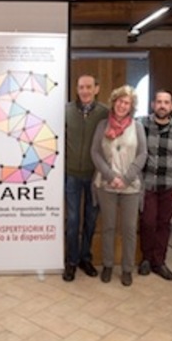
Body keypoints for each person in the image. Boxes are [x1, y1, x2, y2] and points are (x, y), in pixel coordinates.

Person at [91, 85, 147, 287]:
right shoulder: (102, 125)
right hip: (106, 184)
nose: (122, 105)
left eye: (127, 102)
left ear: (131, 106)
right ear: (113, 102)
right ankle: (107, 265)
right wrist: (111, 175)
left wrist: (126, 177)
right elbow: (95, 152)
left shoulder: (138, 127)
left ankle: (126, 269)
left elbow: (142, 154)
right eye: (120, 101)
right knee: (108, 226)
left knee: (129, 228)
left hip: (130, 186)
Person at [138, 90, 172, 281]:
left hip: (169, 186)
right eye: (159, 102)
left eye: (166, 102)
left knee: (164, 224)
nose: (162, 105)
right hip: (147, 185)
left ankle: (158, 262)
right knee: (147, 222)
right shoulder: (141, 125)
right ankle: (145, 258)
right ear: (153, 104)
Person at [63, 74, 109, 281]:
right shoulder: (66, 111)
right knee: (73, 220)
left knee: (90, 220)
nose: (85, 91)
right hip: (71, 174)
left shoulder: (105, 114)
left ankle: (85, 258)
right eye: (81, 87)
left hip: (95, 176)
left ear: (96, 89)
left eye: (89, 87)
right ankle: (71, 261)